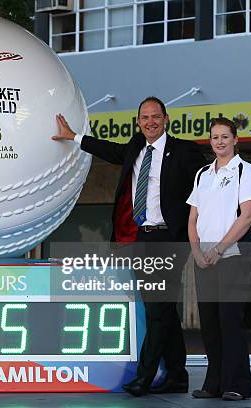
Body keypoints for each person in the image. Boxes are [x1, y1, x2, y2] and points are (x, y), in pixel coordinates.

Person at [53, 97, 206, 396]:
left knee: (157, 311)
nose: (150, 122)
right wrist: (73, 136)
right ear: (138, 122)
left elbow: (205, 187)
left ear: (166, 119)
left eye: (156, 117)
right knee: (163, 309)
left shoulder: (184, 151)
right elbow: (110, 150)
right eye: (144, 117)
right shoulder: (136, 147)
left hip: (169, 239)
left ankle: (144, 377)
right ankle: (177, 375)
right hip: (142, 238)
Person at [187, 117, 251, 401]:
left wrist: (218, 249)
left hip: (234, 255)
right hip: (203, 257)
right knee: (210, 323)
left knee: (230, 320)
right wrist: (196, 251)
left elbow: (247, 215)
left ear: (235, 139)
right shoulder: (202, 174)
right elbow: (193, 218)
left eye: (225, 137)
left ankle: (237, 384)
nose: (219, 141)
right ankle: (213, 383)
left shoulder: (246, 170)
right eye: (215, 137)